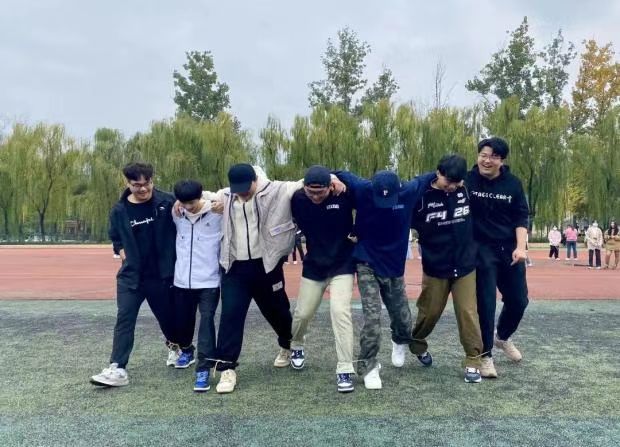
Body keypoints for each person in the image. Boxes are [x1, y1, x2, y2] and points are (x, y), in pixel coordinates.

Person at [199, 164, 344, 394]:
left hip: (266, 265)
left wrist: (334, 178)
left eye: (246, 189)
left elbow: (305, 181)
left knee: (277, 311)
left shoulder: (278, 190)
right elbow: (201, 197)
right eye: (237, 190)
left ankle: (288, 345)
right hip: (234, 267)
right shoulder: (227, 195)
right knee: (230, 315)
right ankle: (227, 367)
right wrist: (181, 202)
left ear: (255, 180)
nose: (242, 194)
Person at [335, 168, 434, 390]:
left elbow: (433, 176)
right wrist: (332, 178)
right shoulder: (361, 187)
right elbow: (338, 172)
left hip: (394, 267)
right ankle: (368, 366)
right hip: (366, 262)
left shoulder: (410, 190)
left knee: (403, 318)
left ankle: (399, 339)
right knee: (372, 319)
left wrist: (453, 178)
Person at [91, 162, 179, 387]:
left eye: (147, 183)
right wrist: (124, 255)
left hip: (161, 276)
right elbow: (116, 239)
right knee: (125, 318)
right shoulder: (119, 211)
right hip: (131, 278)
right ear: (127, 183)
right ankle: (117, 367)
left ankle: (177, 347)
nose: (143, 188)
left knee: (168, 319)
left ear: (152, 180)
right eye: (136, 185)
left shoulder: (168, 201)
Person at [409, 155, 483, 383]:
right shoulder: (420, 194)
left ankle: (473, 360)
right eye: (448, 181)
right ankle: (416, 343)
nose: (452, 186)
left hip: (465, 264)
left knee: (467, 312)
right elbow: (401, 219)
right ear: (438, 173)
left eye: (457, 182)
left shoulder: (467, 189)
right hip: (435, 266)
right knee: (429, 312)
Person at [465, 137, 529, 379]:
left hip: (509, 250)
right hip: (481, 250)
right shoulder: (468, 180)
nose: (487, 160)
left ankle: (502, 337)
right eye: (483, 155)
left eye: (493, 156)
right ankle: (486, 355)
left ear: (502, 160)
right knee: (486, 303)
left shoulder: (513, 184)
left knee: (519, 300)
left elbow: (521, 217)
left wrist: (521, 248)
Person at [289, 165, 356, 393]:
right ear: (304, 187)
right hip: (314, 266)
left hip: (342, 264)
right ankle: (297, 344)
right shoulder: (297, 199)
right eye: (311, 192)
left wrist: (338, 177)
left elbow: (365, 195)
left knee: (340, 312)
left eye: (321, 192)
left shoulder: (344, 194)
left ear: (330, 186)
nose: (316, 197)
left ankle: (345, 368)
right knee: (303, 313)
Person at [171, 180, 222, 392]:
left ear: (201, 197)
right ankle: (186, 350)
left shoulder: (218, 212)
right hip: (182, 281)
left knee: (206, 321)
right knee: (183, 321)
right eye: (183, 203)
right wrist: (178, 203)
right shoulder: (176, 213)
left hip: (209, 281)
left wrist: (216, 200)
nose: (188, 207)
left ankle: (204, 368)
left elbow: (235, 196)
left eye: (191, 203)